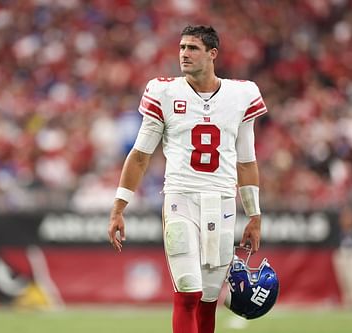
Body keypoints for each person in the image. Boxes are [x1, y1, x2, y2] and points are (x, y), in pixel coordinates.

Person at [108, 25, 267, 333]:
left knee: (208, 301)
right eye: (181, 47)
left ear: (212, 54)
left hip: (222, 200)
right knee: (188, 291)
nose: (184, 54)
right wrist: (118, 207)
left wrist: (255, 215)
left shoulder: (241, 94)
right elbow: (140, 155)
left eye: (192, 48)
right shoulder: (164, 91)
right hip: (181, 198)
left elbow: (246, 161)